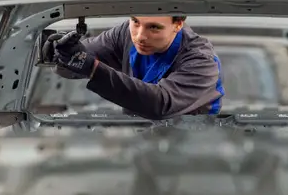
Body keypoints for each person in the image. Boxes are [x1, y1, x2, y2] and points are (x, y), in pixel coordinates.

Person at [42, 16, 224, 120]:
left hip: (193, 147)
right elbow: (77, 60)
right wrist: (61, 54)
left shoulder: (202, 60)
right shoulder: (124, 34)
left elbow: (160, 103)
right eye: (135, 22)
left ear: (178, 24)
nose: (140, 36)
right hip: (137, 143)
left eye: (154, 27)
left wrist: (91, 67)